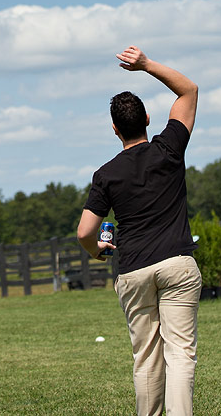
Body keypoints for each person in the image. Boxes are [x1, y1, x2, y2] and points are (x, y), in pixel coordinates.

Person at [77, 46, 202, 416]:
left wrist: (97, 250)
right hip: (177, 265)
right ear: (148, 118)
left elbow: (86, 230)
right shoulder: (169, 148)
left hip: (133, 270)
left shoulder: (106, 174)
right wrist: (146, 65)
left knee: (146, 357)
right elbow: (189, 90)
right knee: (180, 352)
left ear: (114, 129)